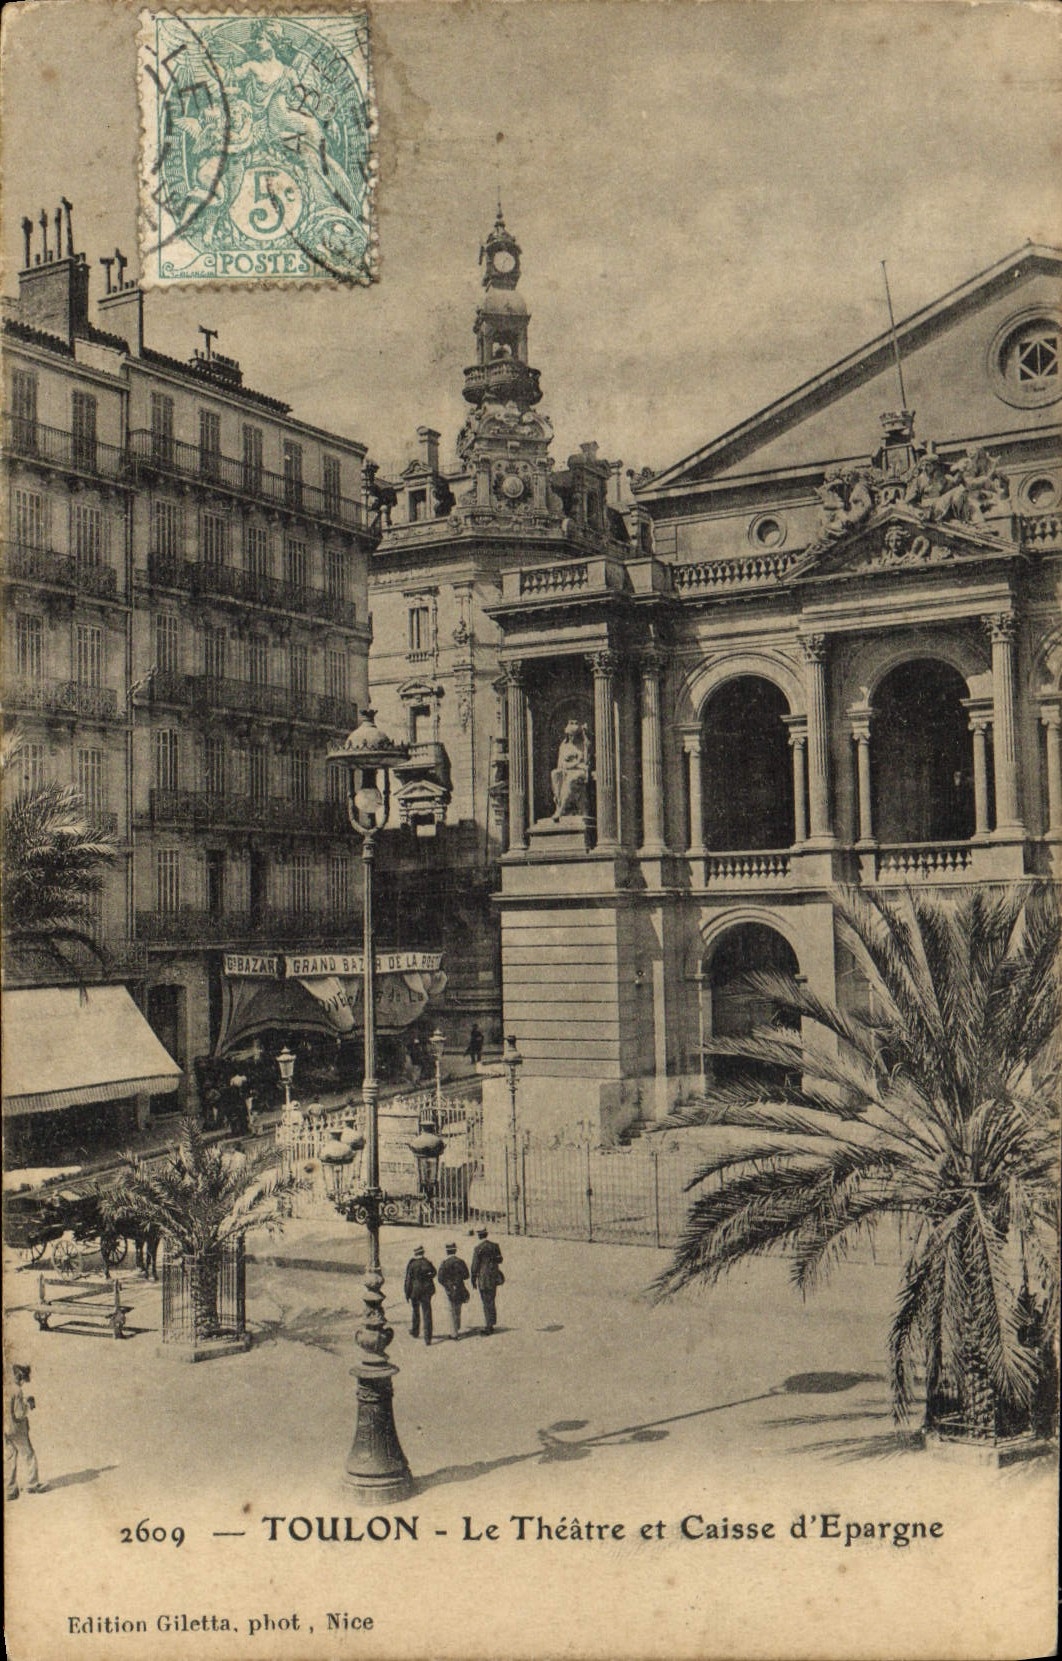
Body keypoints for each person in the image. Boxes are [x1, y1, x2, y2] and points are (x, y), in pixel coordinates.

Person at [4, 1363, 44, 1499]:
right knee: (29, 1455)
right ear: (19, 1377)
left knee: (10, 1458)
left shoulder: (6, 1388)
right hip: (17, 1430)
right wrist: (28, 1405)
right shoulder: (17, 1391)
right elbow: (19, 1414)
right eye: (23, 1379)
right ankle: (32, 1484)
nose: (24, 1382)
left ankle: (9, 1490)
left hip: (6, 1429)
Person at [470, 1227, 505, 1335]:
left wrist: (473, 1278)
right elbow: (500, 1259)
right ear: (486, 1234)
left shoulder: (478, 1248)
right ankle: (491, 1322)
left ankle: (489, 1326)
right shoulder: (494, 1246)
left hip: (483, 1278)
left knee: (486, 1301)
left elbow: (474, 1266)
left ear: (479, 1235)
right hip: (493, 1276)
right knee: (491, 1299)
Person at [403, 1245, 436, 1345]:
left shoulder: (412, 1264)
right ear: (423, 1252)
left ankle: (415, 1331)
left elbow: (408, 1280)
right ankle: (428, 1338)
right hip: (426, 1290)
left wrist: (407, 1293)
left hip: (415, 1291)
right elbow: (434, 1272)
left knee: (415, 1311)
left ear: (415, 1253)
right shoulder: (427, 1262)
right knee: (427, 1312)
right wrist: (428, 1277)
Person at [437, 1242, 471, 1339]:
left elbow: (440, 1278)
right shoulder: (460, 1261)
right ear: (455, 1250)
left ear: (447, 1251)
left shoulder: (444, 1263)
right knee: (458, 1309)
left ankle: (454, 1333)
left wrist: (448, 1284)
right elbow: (466, 1276)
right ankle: (457, 1326)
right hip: (460, 1287)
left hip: (449, 1289)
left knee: (451, 1310)